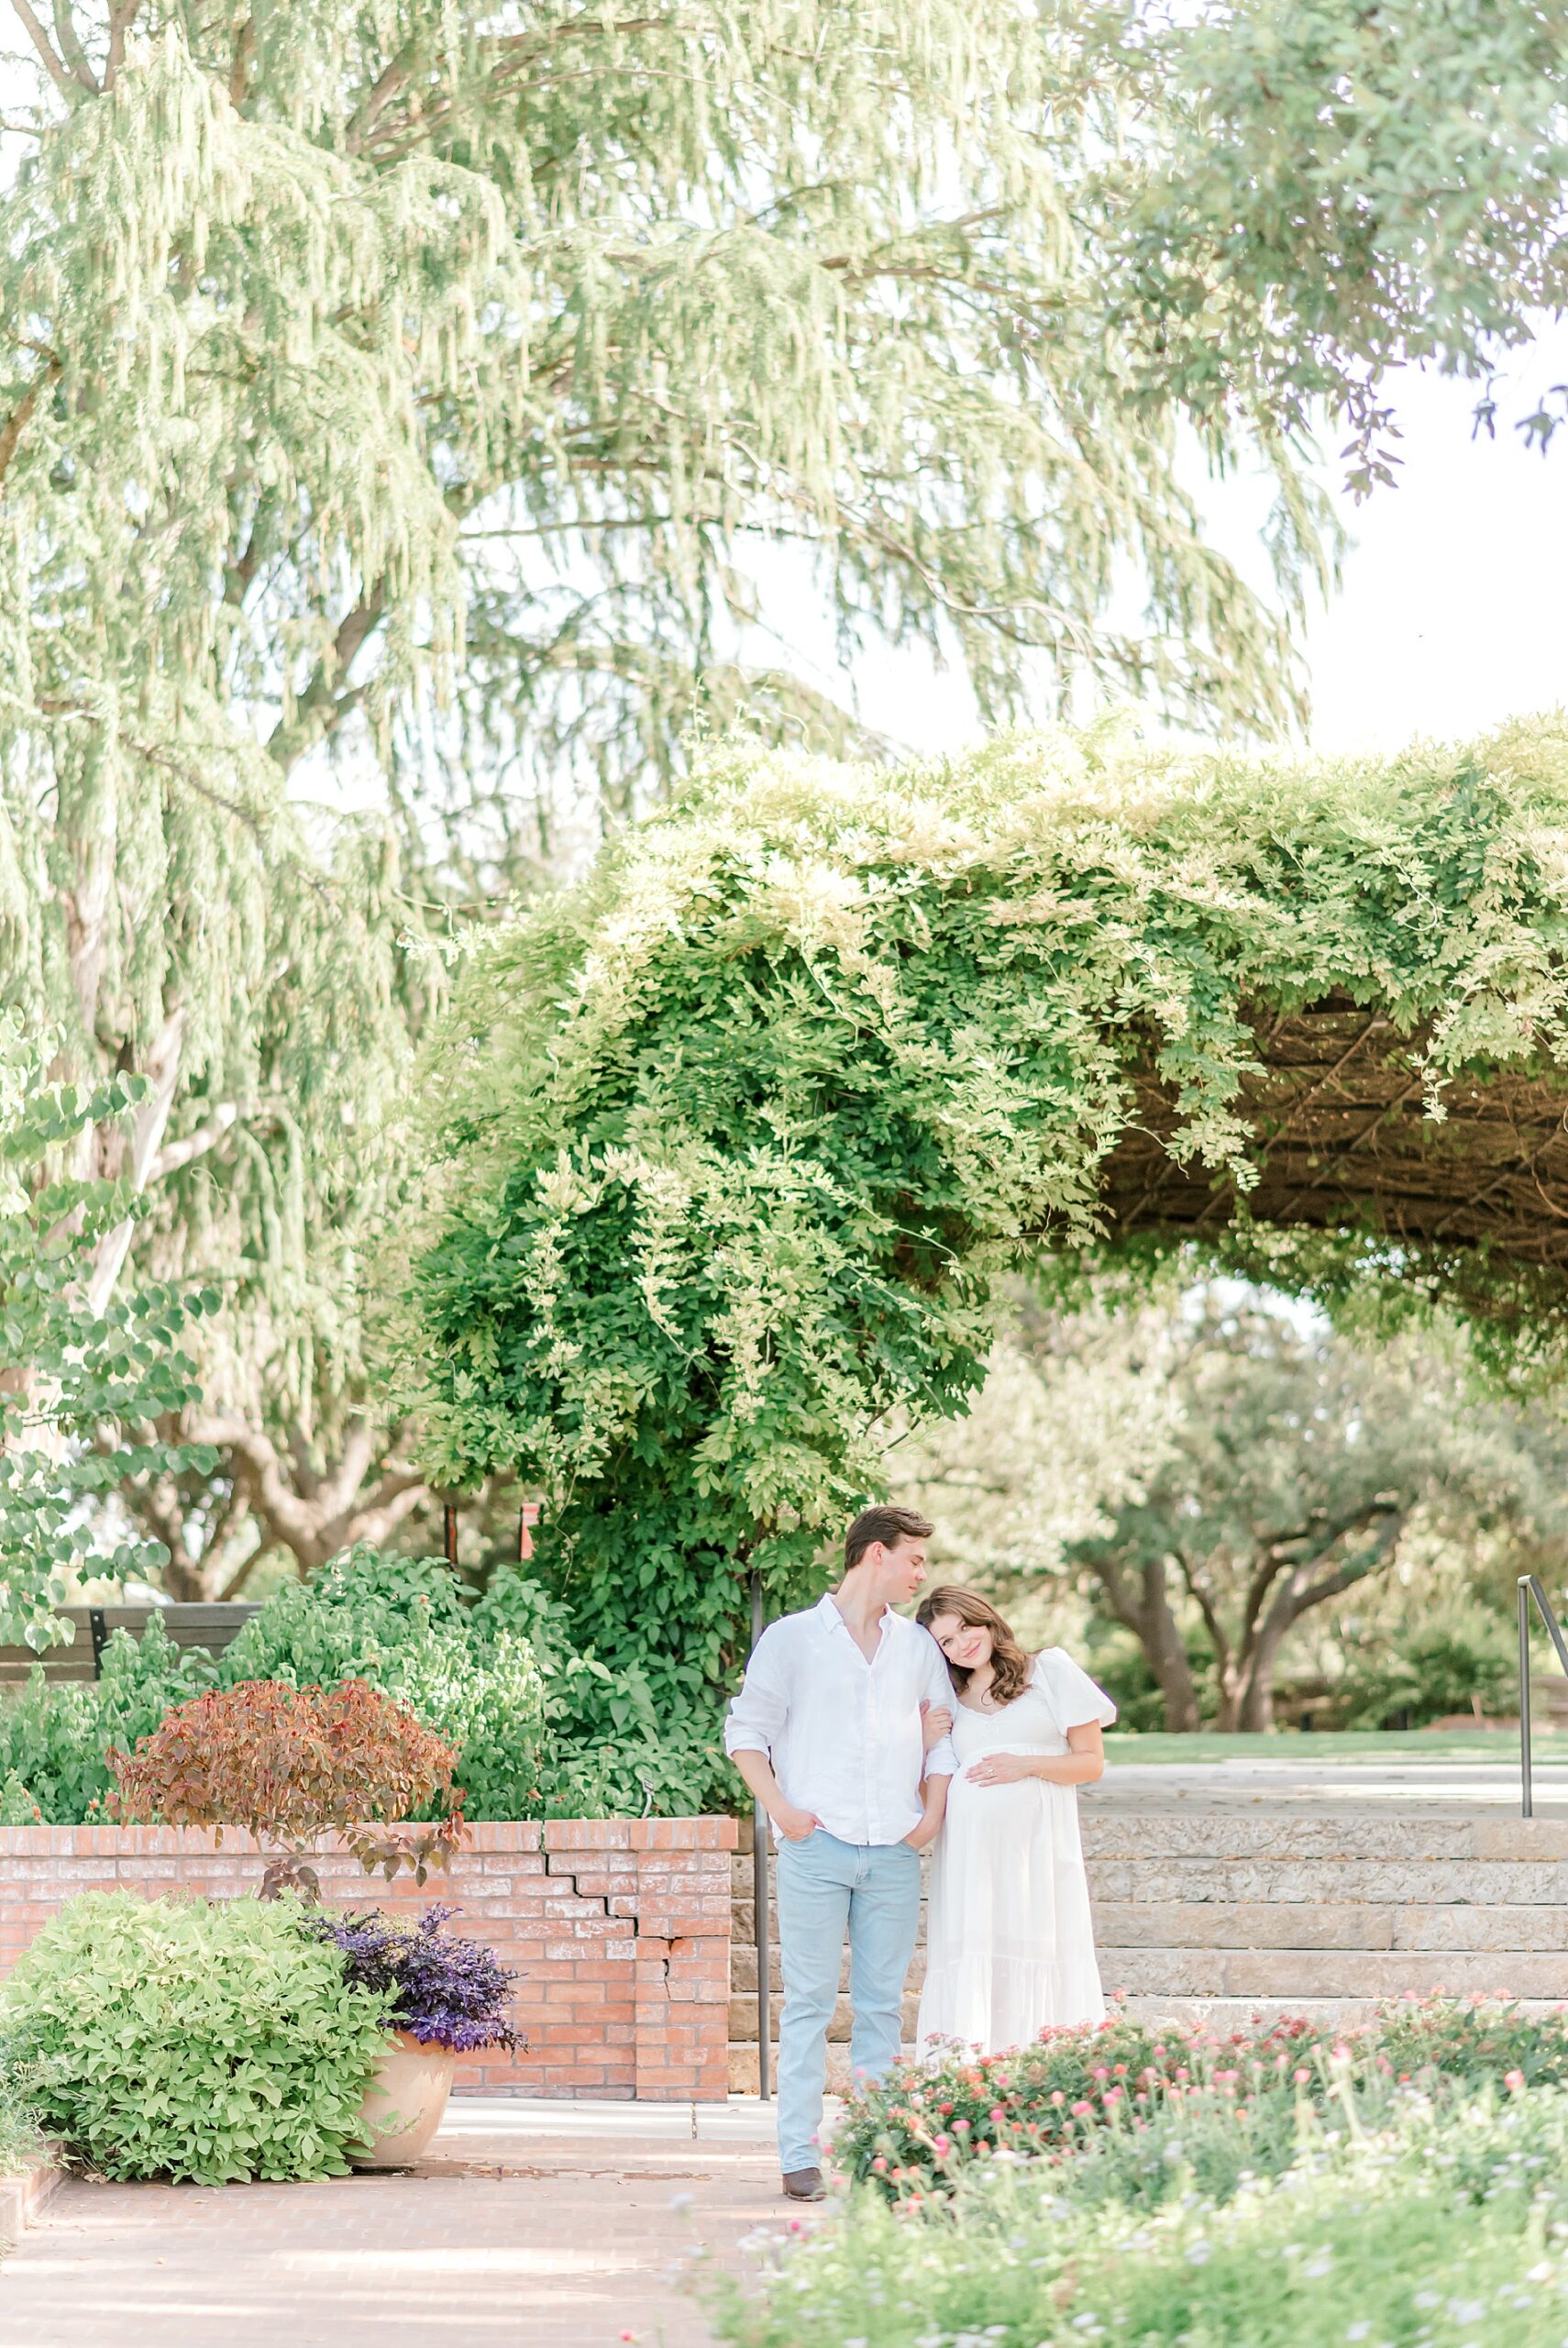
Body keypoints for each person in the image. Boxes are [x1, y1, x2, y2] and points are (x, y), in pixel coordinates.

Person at [725, 1505, 956, 2201]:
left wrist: (930, 1818)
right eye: (914, 1559)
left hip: (892, 1849)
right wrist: (784, 1812)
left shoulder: (916, 1649)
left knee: (883, 2007)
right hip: (815, 1848)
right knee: (809, 2004)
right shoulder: (794, 1639)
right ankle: (799, 2153)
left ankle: (876, 2148)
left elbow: (942, 1736)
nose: (922, 1573)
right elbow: (747, 1733)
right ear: (876, 1555)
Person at [913, 1585, 1115, 2055]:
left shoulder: (1049, 1670)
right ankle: (971, 2073)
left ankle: (1043, 2068)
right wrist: (922, 1742)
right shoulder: (947, 1700)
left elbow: (1091, 1763)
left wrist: (1025, 1765)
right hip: (971, 1863)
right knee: (977, 1958)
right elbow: (930, 1791)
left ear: (984, 1618)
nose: (961, 1643)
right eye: (946, 1641)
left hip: (1037, 1855)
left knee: (1039, 1950)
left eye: (965, 1627)